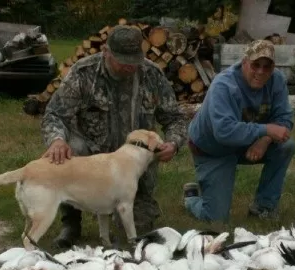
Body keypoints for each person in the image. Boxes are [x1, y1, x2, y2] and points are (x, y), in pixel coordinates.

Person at [41, 25, 187, 248]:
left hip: (133, 169)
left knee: (137, 235)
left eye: (133, 60)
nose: (129, 66)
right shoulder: (83, 73)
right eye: (122, 60)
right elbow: (54, 114)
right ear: (106, 51)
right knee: (71, 148)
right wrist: (57, 140)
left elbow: (175, 118)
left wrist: (173, 143)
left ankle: (130, 210)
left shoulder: (152, 75)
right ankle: (71, 221)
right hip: (91, 160)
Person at [183, 39, 295, 222]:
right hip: (213, 148)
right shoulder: (223, 85)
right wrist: (265, 129)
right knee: (216, 219)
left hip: (245, 142)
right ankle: (192, 198)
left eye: (267, 67)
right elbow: (224, 131)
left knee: (286, 146)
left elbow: (284, 119)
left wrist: (264, 140)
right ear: (244, 62)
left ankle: (264, 207)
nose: (261, 71)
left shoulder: (277, 80)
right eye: (255, 65)